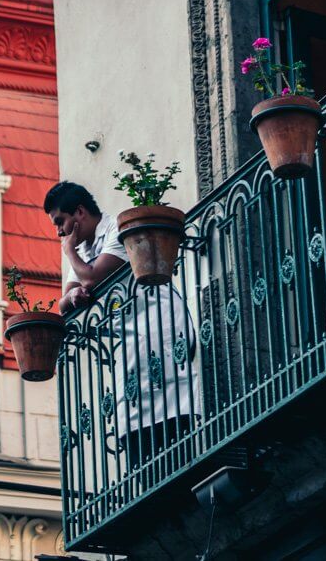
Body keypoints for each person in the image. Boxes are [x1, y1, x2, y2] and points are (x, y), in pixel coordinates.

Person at [43, 181, 198, 477]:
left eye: (60, 222)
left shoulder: (117, 229)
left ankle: (177, 472)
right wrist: (73, 294)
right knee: (135, 411)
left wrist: (69, 255)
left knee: (170, 402)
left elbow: (90, 278)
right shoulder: (82, 248)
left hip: (157, 323)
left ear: (79, 212)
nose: (59, 232)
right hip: (128, 338)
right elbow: (64, 304)